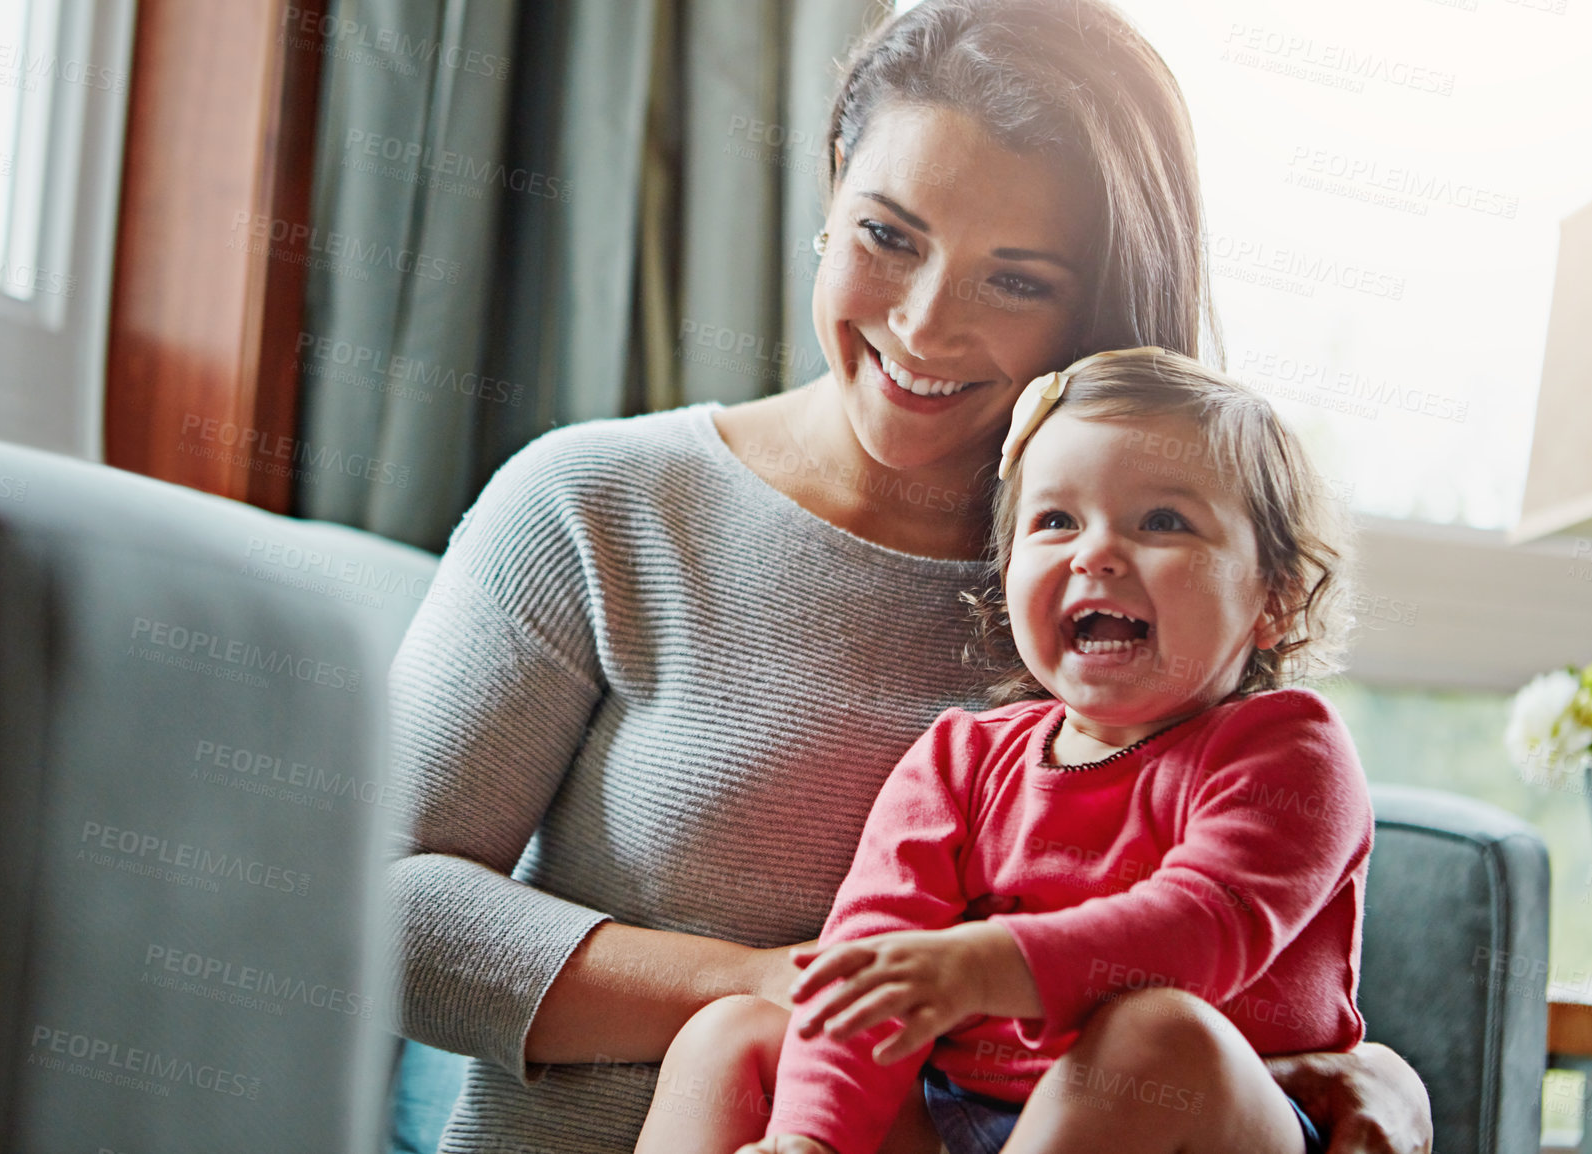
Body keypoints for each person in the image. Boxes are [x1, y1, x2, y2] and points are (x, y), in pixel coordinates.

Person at [386, 2, 1433, 1152]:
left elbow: (1240, 924)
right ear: (832, 185)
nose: (924, 325)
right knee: (731, 1035)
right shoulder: (592, 506)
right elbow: (374, 909)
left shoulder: (1134, 610)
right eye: (888, 236)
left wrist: (1380, 1074)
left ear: (1093, 302)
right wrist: (784, 984)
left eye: (1017, 281)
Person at [632, 347, 1368, 1154]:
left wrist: (984, 966)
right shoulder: (960, 760)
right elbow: (871, 965)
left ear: (1274, 599)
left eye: (1163, 521)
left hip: (1198, 1119)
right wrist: (811, 1139)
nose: (1096, 552)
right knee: (735, 1036)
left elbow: (1202, 929)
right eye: (1055, 521)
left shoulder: (1286, 749)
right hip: (958, 1114)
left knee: (1158, 1035)